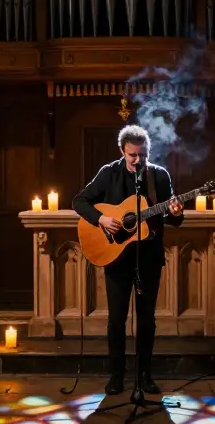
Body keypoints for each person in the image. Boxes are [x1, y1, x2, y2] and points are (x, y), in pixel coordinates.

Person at [73, 125, 185, 396]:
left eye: (143, 155)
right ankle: (116, 375)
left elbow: (173, 218)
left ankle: (145, 375)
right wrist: (100, 218)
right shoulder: (109, 173)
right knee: (116, 319)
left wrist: (176, 211)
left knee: (147, 320)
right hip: (116, 258)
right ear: (122, 151)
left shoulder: (159, 176)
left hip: (148, 259)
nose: (138, 160)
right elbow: (79, 201)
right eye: (133, 155)